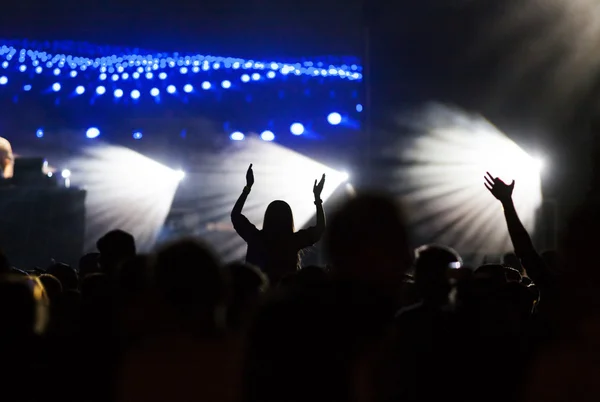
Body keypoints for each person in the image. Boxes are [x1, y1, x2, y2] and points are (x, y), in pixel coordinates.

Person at [231, 164, 326, 283]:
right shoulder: (293, 241)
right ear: (289, 219)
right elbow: (320, 228)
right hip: (285, 297)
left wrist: (247, 187)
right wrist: (317, 199)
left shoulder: (256, 238)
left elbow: (235, 215)